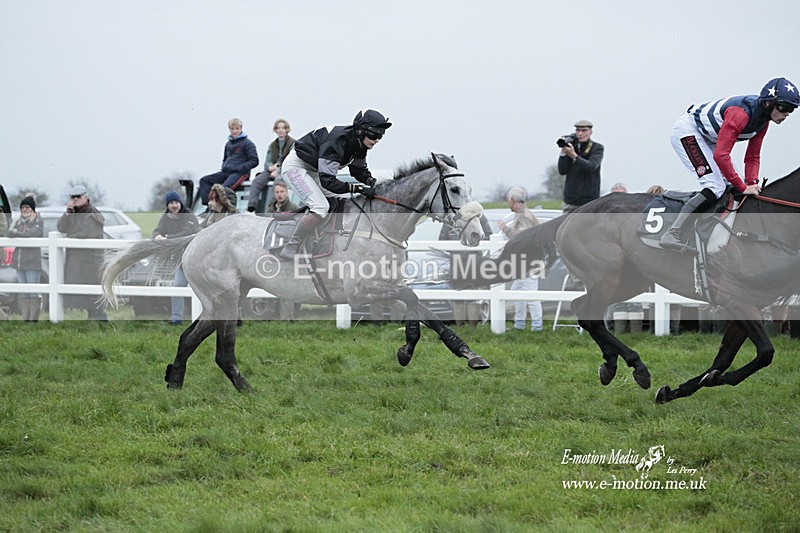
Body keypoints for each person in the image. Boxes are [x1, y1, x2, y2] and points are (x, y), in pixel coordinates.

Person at [660, 77, 799, 252]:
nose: (786, 114)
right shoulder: (741, 114)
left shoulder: (763, 122)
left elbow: (753, 156)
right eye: (783, 108)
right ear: (767, 104)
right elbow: (721, 155)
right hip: (688, 131)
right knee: (715, 185)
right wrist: (742, 186)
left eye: (791, 110)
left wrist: (752, 183)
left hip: (709, 138)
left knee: (729, 185)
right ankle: (673, 233)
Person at [276, 109, 390, 260]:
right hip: (296, 168)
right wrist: (358, 188)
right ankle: (291, 246)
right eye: (374, 135)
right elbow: (328, 181)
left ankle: (327, 237)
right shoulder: (337, 142)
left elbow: (358, 170)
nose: (376, 140)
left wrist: (371, 182)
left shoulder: (359, 144)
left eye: (380, 136)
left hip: (314, 170)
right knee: (320, 207)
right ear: (360, 131)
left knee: (342, 199)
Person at [57, 185, 108, 320]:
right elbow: (61, 228)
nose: (75, 200)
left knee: (94, 297)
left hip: (90, 262)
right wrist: (67, 213)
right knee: (84, 296)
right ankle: (94, 321)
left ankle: (101, 322)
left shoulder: (92, 213)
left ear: (85, 197)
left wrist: (69, 238)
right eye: (72, 197)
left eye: (78, 197)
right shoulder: (74, 213)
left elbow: (85, 233)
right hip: (78, 262)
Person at [497, 187, 543, 332]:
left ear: (512, 200)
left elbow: (521, 238)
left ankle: (537, 326)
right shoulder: (524, 215)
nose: (507, 204)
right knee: (517, 291)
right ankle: (520, 324)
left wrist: (505, 229)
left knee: (530, 294)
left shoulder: (523, 216)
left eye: (508, 201)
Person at [153, 190, 201, 325]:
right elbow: (158, 230)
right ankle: (176, 318)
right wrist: (157, 236)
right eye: (171, 203)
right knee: (178, 287)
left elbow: (187, 234)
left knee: (200, 289)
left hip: (195, 260)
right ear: (167, 206)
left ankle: (203, 317)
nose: (174, 205)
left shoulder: (189, 216)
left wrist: (167, 239)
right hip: (181, 261)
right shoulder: (166, 217)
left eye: (176, 202)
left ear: (180, 203)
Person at [198, 118, 259, 205]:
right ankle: (208, 205)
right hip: (226, 172)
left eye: (237, 129)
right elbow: (225, 158)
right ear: (229, 129)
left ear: (241, 129)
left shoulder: (248, 144)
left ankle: (217, 208)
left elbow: (254, 160)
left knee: (222, 190)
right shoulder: (228, 144)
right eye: (232, 129)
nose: (235, 131)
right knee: (204, 180)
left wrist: (241, 168)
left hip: (239, 173)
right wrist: (224, 166)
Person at [7, 195, 44, 321]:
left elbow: (33, 233)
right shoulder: (18, 222)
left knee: (33, 291)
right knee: (23, 291)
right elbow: (9, 233)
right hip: (19, 261)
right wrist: (15, 233)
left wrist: (17, 233)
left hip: (32, 261)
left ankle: (33, 319)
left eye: (27, 207)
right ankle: (25, 318)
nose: (24, 209)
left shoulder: (38, 220)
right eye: (22, 207)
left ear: (32, 209)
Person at [247, 118, 296, 213]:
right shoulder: (272, 145)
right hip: (272, 170)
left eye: (283, 128)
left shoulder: (293, 144)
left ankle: (271, 208)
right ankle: (251, 207)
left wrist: (278, 170)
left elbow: (292, 162)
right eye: (278, 128)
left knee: (278, 183)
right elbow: (267, 161)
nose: (281, 130)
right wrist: (270, 168)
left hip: (286, 171)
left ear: (287, 129)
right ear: (275, 130)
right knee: (257, 181)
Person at [558, 119, 604, 213]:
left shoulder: (597, 148)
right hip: (571, 201)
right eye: (578, 131)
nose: (580, 133)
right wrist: (563, 153)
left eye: (584, 131)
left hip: (589, 201)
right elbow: (562, 170)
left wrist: (574, 156)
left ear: (590, 132)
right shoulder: (571, 147)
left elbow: (591, 167)